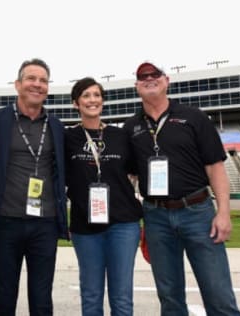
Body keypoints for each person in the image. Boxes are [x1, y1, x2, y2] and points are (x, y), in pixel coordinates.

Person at [123, 61, 240, 315]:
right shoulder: (131, 127)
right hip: (156, 216)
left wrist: (223, 213)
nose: (149, 78)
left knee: (218, 294)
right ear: (136, 86)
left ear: (167, 81)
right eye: (143, 76)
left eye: (155, 74)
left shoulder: (194, 117)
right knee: (169, 297)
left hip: (197, 211)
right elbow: (129, 173)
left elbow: (215, 167)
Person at [0, 58, 68, 316]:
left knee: (42, 302)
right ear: (17, 84)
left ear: (48, 88)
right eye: (31, 79)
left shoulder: (56, 126)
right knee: (4, 301)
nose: (37, 85)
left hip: (45, 224)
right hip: (6, 221)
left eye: (43, 80)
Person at [65, 77, 143, 316]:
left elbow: (134, 171)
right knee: (90, 295)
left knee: (121, 297)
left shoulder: (120, 136)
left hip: (123, 223)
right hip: (84, 226)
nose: (92, 100)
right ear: (76, 103)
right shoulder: (67, 138)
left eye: (97, 95)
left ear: (103, 101)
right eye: (86, 95)